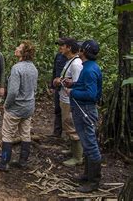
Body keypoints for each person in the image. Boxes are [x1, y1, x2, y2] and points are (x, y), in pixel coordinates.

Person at [0, 41, 38, 171]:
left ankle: (4, 162)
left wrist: (6, 105)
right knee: (25, 133)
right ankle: (23, 161)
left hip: (16, 108)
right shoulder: (33, 68)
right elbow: (34, 89)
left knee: (7, 134)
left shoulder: (17, 68)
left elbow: (12, 92)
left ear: (24, 52)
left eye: (19, 47)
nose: (16, 48)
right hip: (29, 107)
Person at [65, 40, 103, 193]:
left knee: (90, 144)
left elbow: (92, 94)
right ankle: (87, 175)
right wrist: (73, 84)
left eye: (80, 48)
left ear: (84, 52)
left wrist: (72, 92)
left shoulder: (89, 70)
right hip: (82, 109)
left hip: (85, 110)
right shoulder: (88, 67)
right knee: (87, 143)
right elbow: (86, 86)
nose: (78, 50)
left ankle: (94, 182)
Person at [52, 38, 83, 167]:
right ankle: (73, 150)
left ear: (69, 47)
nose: (60, 48)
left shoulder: (76, 64)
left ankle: (78, 157)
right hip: (64, 98)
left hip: (70, 100)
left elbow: (77, 84)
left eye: (62, 45)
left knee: (72, 127)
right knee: (67, 124)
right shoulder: (69, 61)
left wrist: (61, 81)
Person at [50, 40, 68, 137]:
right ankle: (57, 132)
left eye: (62, 45)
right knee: (57, 109)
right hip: (58, 87)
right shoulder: (58, 56)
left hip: (68, 88)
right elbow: (54, 70)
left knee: (68, 111)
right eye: (59, 45)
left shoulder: (72, 59)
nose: (60, 47)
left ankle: (69, 134)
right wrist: (52, 85)